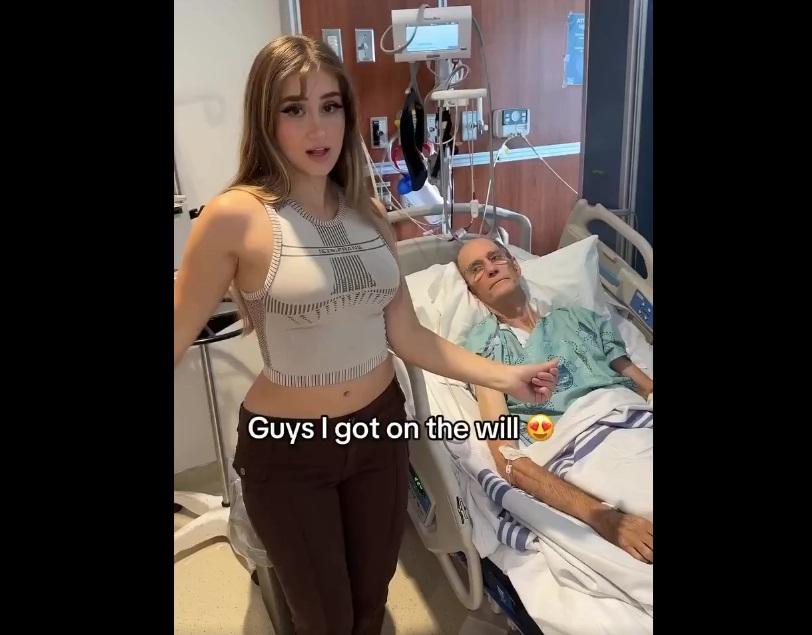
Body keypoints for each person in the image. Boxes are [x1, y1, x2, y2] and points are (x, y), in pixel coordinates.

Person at [173, 35, 559, 634]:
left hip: (381, 429)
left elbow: (408, 335)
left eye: (330, 106)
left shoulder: (368, 213)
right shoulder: (235, 217)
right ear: (265, 117)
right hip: (290, 449)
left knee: (370, 603)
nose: (317, 127)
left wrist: (505, 376)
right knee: (325, 619)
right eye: (294, 108)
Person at [456, 237, 654, 564]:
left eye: (495, 258)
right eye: (477, 269)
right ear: (472, 292)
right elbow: (507, 458)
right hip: (578, 448)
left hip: (633, 421)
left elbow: (645, 387)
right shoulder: (485, 348)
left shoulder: (580, 319)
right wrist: (603, 518)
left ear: (516, 266)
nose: (490, 269)